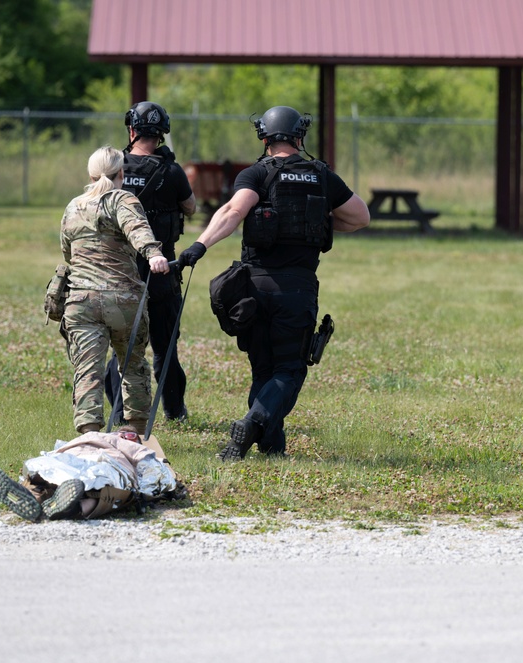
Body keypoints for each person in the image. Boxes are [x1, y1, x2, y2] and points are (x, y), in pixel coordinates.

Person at [177, 106, 370, 461]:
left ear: (265, 138)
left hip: (254, 286)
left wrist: (198, 246)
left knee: (263, 368)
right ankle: (252, 424)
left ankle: (271, 448)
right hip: (296, 289)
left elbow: (234, 212)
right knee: (289, 370)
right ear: (300, 137)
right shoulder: (322, 176)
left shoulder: (257, 174)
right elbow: (360, 216)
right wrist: (323, 220)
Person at [60, 145, 170, 436]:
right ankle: (134, 429)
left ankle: (90, 435)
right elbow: (136, 228)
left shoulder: (74, 205)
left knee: (88, 369)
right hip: (122, 301)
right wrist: (153, 254)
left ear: (91, 174)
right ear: (121, 173)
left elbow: (67, 253)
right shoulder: (122, 199)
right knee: (132, 364)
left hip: (81, 301)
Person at [104, 101, 197, 423]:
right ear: (162, 135)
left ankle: (118, 413)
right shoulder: (171, 171)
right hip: (162, 269)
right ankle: (174, 410)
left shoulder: (115, 170)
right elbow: (191, 207)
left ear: (131, 130)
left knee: (123, 346)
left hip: (120, 270)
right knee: (164, 345)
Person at [0, 428, 180, 522]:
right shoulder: (121, 444)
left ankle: (38, 498)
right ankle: (60, 506)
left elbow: (153, 473)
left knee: (56, 482)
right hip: (88, 460)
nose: (123, 436)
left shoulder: (97, 438)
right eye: (124, 433)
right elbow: (154, 477)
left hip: (84, 460)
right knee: (94, 492)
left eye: (129, 436)